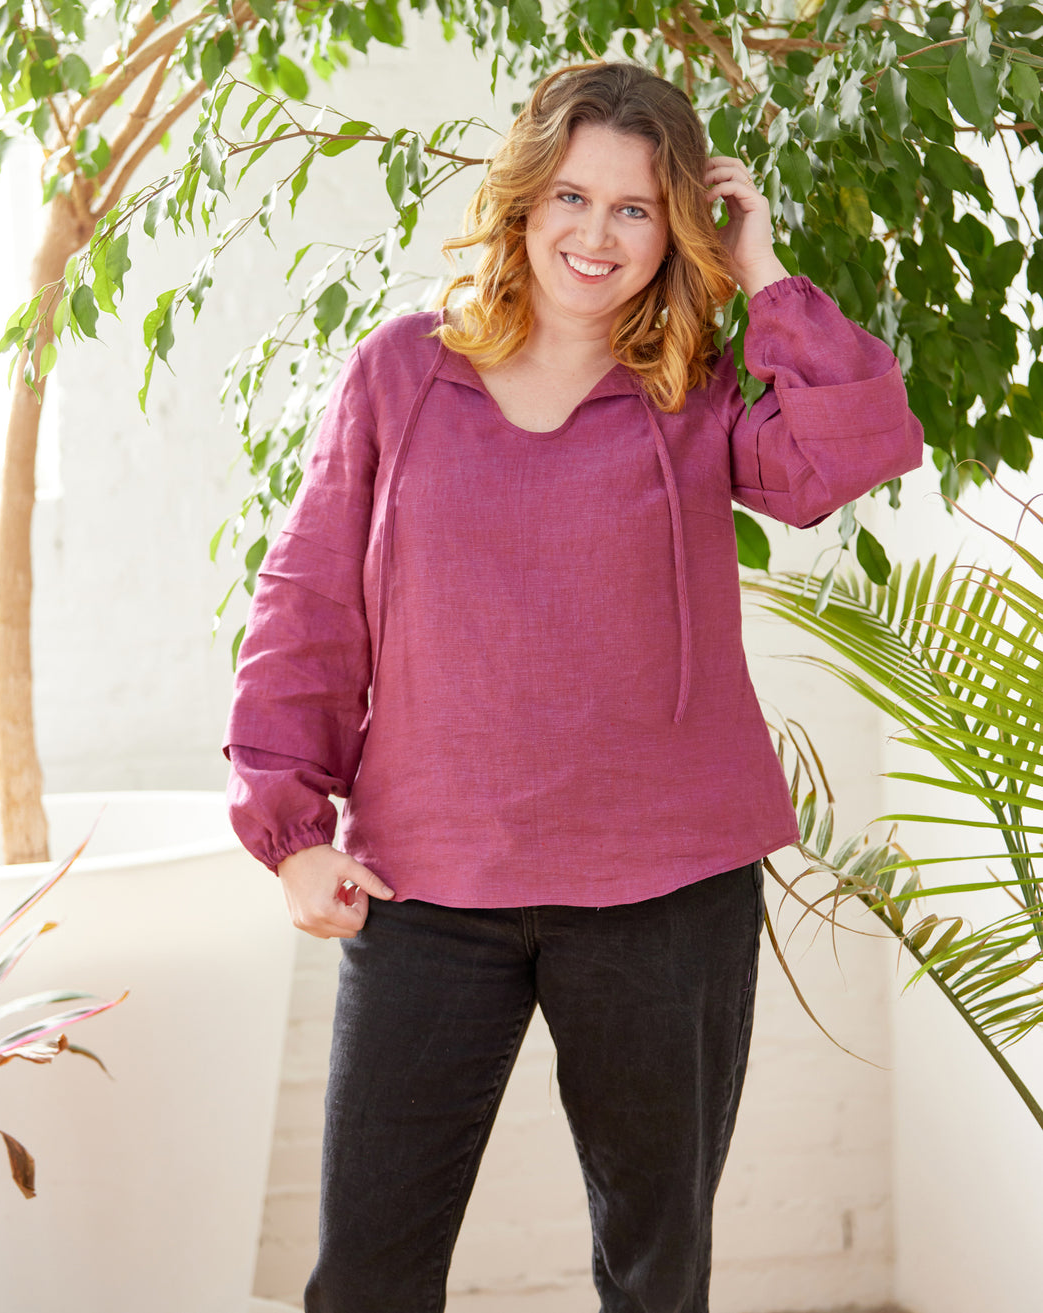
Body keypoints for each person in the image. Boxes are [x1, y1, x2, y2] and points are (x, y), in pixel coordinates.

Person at [224, 60, 923, 1313]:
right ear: (525, 197)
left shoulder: (697, 387)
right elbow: (310, 601)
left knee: (657, 1278)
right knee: (368, 1275)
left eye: (636, 208)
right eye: (573, 197)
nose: (596, 236)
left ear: (677, 227)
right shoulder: (400, 371)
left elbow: (848, 447)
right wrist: (290, 827)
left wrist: (762, 271)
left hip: (668, 890)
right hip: (427, 883)